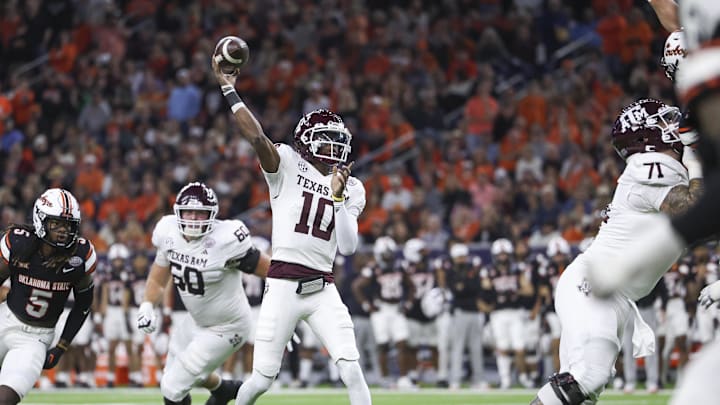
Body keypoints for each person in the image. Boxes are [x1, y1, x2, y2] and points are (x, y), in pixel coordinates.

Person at [210, 57, 372, 405]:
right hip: (283, 285)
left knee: (351, 368)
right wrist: (228, 89)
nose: (334, 147)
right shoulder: (285, 163)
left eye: (337, 140)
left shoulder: (352, 186)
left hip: (322, 287)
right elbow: (256, 136)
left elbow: (347, 247)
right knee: (261, 379)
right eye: (325, 139)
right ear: (305, 142)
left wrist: (339, 197)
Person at [531, 98, 704, 405]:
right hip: (593, 286)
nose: (674, 127)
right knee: (588, 377)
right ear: (645, 136)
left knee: (583, 393)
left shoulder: (664, 170)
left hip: (612, 294)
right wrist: (697, 156)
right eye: (664, 121)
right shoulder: (648, 166)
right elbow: (695, 212)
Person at [136, 182, 270, 405]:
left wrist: (284, 307)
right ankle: (223, 389)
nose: (193, 219)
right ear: (178, 212)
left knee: (172, 388)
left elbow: (271, 270)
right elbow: (158, 278)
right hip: (196, 320)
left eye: (200, 213)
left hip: (228, 326)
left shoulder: (225, 240)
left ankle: (222, 388)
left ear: (212, 215)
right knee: (173, 375)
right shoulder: (168, 232)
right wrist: (147, 304)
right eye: (188, 212)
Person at [0, 188, 96, 404]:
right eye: (57, 224)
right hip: (4, 319)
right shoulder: (20, 243)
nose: (64, 231)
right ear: (40, 220)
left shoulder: (79, 256)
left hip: (35, 338)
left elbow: (84, 303)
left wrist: (61, 346)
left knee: (5, 398)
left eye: (69, 225)